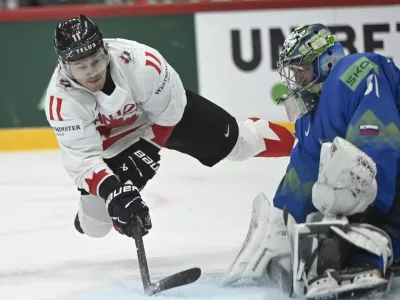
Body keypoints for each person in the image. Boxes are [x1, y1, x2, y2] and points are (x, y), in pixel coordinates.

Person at [44, 15, 294, 240]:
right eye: (80, 66)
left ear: (106, 51)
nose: (91, 73)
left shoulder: (142, 64)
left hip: (161, 120)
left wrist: (147, 151)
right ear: (65, 66)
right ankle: (92, 211)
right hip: (114, 144)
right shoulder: (61, 101)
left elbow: (170, 112)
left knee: (240, 142)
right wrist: (115, 192)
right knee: (96, 227)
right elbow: (83, 160)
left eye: (96, 61)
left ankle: (303, 142)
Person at [222, 23, 400, 298]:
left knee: (350, 189)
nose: (296, 78)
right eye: (293, 72)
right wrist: (282, 227)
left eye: (301, 68)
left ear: (327, 61)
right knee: (328, 199)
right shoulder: (310, 121)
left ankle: (372, 252)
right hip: (384, 179)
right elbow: (302, 176)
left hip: (390, 174)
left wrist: (369, 213)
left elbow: (379, 136)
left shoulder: (356, 70)